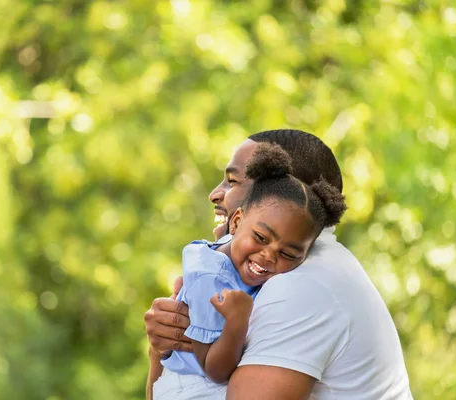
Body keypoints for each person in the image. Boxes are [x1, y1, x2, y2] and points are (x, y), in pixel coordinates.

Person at [145, 129, 413, 399]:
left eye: (233, 181)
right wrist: (163, 351)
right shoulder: (269, 271)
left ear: (284, 192)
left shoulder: (301, 285)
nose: (215, 194)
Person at [153, 143, 346, 399]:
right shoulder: (210, 279)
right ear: (236, 221)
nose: (268, 256)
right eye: (261, 238)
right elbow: (215, 369)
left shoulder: (244, 255)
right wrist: (236, 321)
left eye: (288, 254)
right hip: (190, 387)